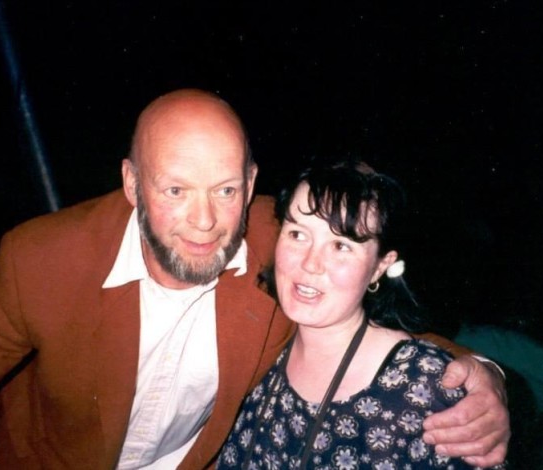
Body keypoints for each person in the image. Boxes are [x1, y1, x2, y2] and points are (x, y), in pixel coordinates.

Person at [0, 89, 509, 469]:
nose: (206, 222)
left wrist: (480, 375)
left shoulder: (285, 242)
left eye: (226, 190)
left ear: (251, 185)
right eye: (175, 190)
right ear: (132, 184)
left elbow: (360, 313)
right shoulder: (43, 260)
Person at [217, 156, 508, 469]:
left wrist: (489, 372)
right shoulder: (267, 348)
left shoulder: (421, 390)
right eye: (298, 234)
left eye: (341, 246)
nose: (310, 264)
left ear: (380, 266)